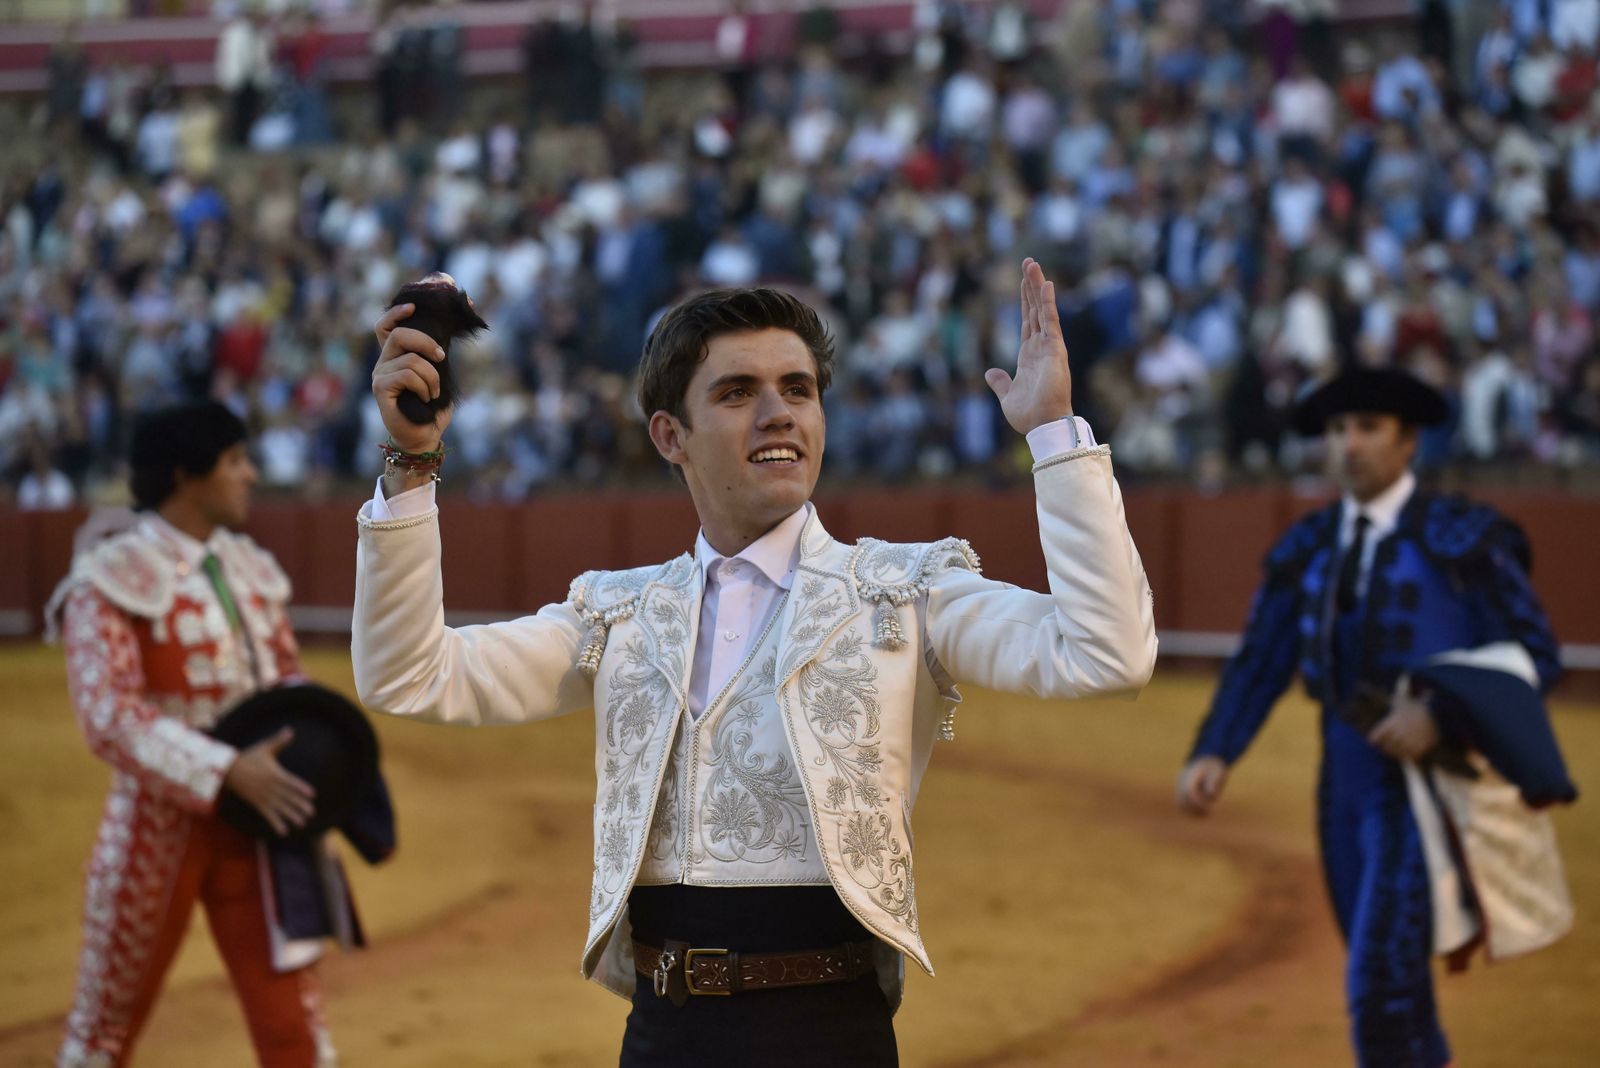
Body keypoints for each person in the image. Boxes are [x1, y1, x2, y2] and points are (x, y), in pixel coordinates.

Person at [351, 260, 1156, 1065]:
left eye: (798, 390)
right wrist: (411, 462)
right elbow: (409, 674)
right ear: (671, 435)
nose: (779, 415)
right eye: (738, 394)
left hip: (828, 1035)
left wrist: (1053, 435)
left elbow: (1106, 653)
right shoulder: (618, 614)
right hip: (664, 1036)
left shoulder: (902, 593)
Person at [1175, 368, 1563, 1068]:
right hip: (1342, 779)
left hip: (1426, 784)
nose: (1347, 444)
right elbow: (1261, 659)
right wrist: (1215, 749)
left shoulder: (1464, 540)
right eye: (1336, 429)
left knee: (1380, 984)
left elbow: (1533, 653)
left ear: (1409, 441)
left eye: (1367, 428)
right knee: (1394, 982)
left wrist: (1442, 714)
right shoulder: (1309, 546)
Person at [49, 401, 339, 1067]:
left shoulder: (250, 568)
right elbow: (110, 718)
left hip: (263, 826)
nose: (252, 476)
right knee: (100, 1037)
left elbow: (288, 686)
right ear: (188, 475)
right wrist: (226, 769)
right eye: (236, 460)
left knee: (298, 1035)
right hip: (155, 831)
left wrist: (321, 774)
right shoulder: (109, 576)